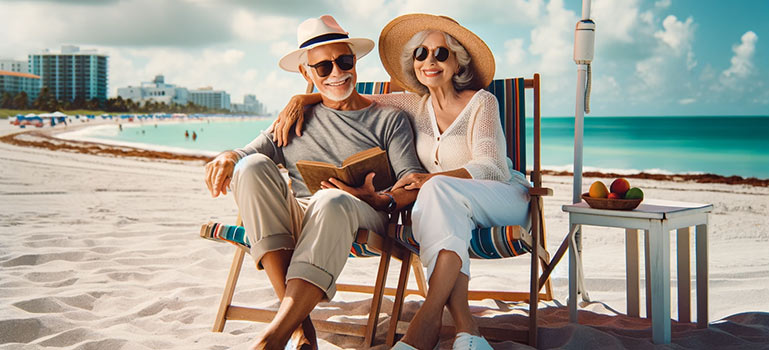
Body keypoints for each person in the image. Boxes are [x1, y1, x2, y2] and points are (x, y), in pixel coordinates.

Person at [272, 14, 532, 350]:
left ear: (457, 62)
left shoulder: (481, 102)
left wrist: (431, 180)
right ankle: (468, 332)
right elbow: (347, 100)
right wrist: (301, 99)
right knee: (441, 207)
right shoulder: (412, 105)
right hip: (450, 210)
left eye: (441, 53)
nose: (429, 61)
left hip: (504, 199)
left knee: (435, 192)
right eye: (421, 54)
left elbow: (492, 166)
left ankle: (429, 316)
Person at [203, 15, 425, 350]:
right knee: (251, 167)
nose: (337, 73)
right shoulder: (294, 118)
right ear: (306, 74)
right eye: (323, 68)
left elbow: (411, 180)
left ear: (355, 62)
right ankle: (299, 330)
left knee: (330, 200)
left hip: (365, 213)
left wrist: (380, 197)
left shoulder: (388, 118)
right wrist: (227, 156)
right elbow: (244, 154)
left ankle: (273, 337)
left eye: (344, 61)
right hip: (300, 216)